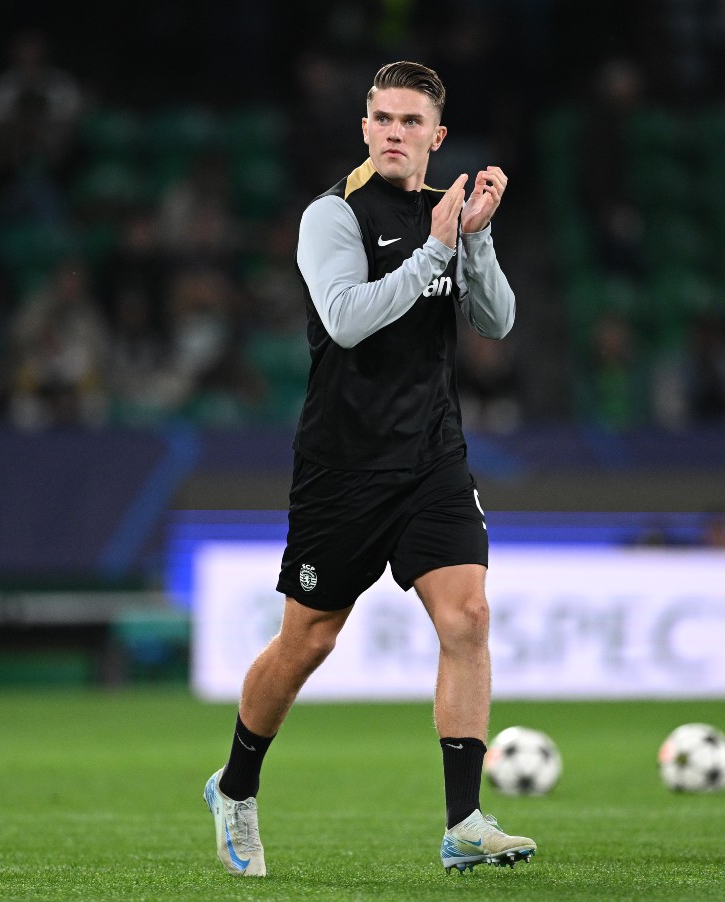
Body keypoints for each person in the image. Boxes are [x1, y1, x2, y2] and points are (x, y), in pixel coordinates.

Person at [203, 61, 535, 877]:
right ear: (363, 128)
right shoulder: (331, 216)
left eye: (410, 121)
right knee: (308, 641)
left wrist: (478, 239)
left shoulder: (443, 217)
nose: (394, 132)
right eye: (381, 118)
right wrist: (434, 254)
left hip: (432, 458)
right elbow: (346, 321)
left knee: (468, 619)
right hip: (343, 468)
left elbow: (494, 321)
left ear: (437, 136)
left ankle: (464, 821)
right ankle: (235, 787)